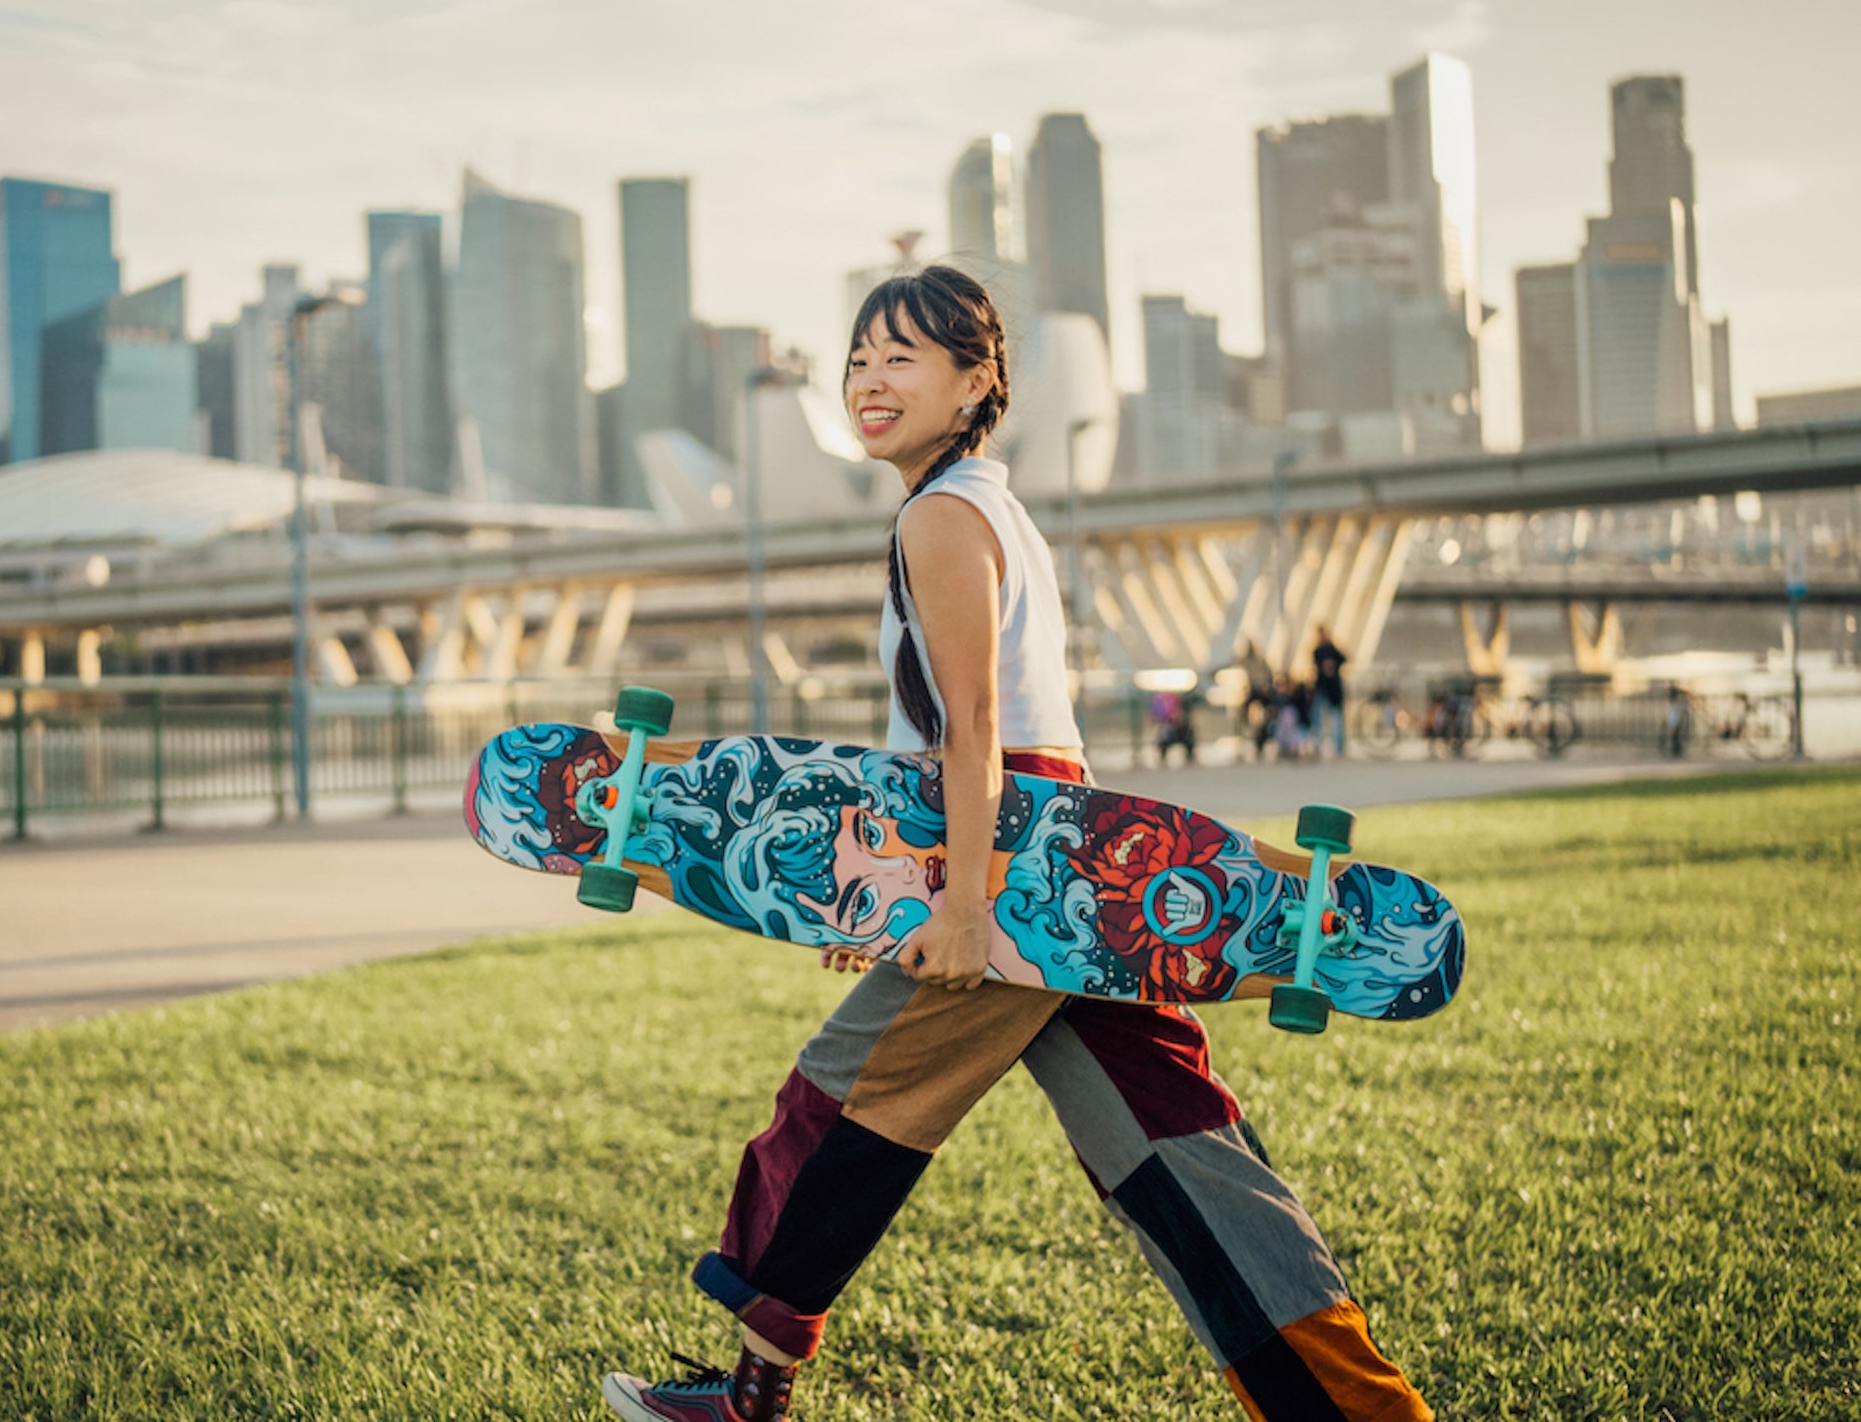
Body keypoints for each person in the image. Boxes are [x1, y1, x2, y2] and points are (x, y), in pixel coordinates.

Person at [600, 265, 1429, 1422]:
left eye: (902, 356)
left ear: (975, 379)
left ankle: (748, 1397)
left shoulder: (940, 514)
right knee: (1182, 1155)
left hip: (1016, 860)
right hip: (1074, 862)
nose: (869, 380)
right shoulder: (994, 505)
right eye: (856, 358)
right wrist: (907, 899)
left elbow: (976, 728)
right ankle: (1363, 1411)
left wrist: (964, 904)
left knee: (835, 1108)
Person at [1312, 626, 1349, 757]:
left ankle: (1338, 747)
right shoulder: (1317, 650)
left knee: (1335, 720)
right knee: (1319, 719)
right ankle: (1318, 746)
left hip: (1332, 690)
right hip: (1323, 689)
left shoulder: (1332, 649)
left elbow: (1345, 659)